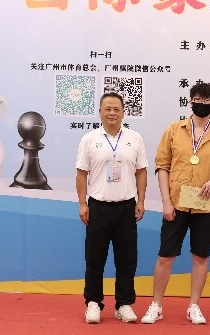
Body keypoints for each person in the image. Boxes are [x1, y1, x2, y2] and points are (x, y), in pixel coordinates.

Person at [140, 82, 210, 325]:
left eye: (207, 101)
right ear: (190, 102)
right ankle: (156, 305)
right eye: (197, 100)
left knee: (200, 256)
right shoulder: (174, 129)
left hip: (205, 205)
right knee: (165, 256)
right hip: (176, 204)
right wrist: (166, 202)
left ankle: (194, 305)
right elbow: (162, 166)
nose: (202, 104)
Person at [76, 92, 148, 324]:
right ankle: (93, 302)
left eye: (116, 109)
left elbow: (141, 171)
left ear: (123, 112)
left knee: (126, 259)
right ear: (100, 112)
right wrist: (82, 203)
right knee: (94, 258)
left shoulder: (135, 138)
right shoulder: (89, 139)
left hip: (126, 207)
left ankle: (124, 304)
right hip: (98, 207)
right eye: (107, 109)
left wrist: (141, 200)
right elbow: (81, 173)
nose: (112, 113)